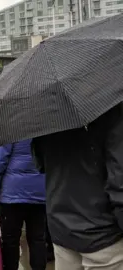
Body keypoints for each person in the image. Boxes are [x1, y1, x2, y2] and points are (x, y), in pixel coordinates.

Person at [32, 102, 123, 269]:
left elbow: (40, 163)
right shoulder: (112, 108)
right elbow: (119, 181)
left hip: (61, 226)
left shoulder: (46, 113)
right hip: (104, 236)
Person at [0, 139, 47, 270]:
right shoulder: (46, 125)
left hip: (12, 194)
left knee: (10, 240)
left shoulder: (10, 128)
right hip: (39, 192)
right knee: (38, 239)